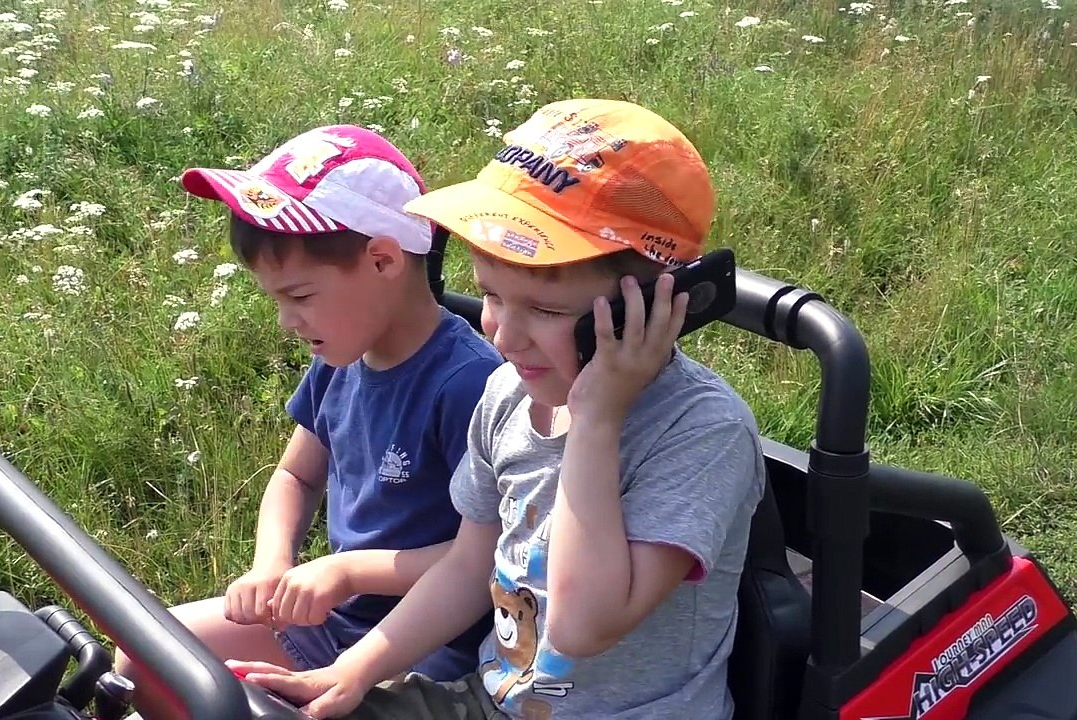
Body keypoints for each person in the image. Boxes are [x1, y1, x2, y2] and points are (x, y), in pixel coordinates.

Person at [227, 98, 767, 720]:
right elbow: (468, 566)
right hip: (492, 701)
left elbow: (585, 625)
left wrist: (595, 419)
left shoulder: (702, 432)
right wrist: (353, 672)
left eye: (544, 309)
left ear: (650, 306)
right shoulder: (507, 394)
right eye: (490, 295)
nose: (503, 337)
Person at [113, 124, 503, 719]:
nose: (285, 322)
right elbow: (296, 475)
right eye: (276, 300)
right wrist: (273, 563)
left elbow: (489, 555)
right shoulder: (341, 355)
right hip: (329, 619)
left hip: (424, 650)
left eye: (299, 295)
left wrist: (348, 571)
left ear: (382, 259)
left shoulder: (468, 384)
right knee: (141, 660)